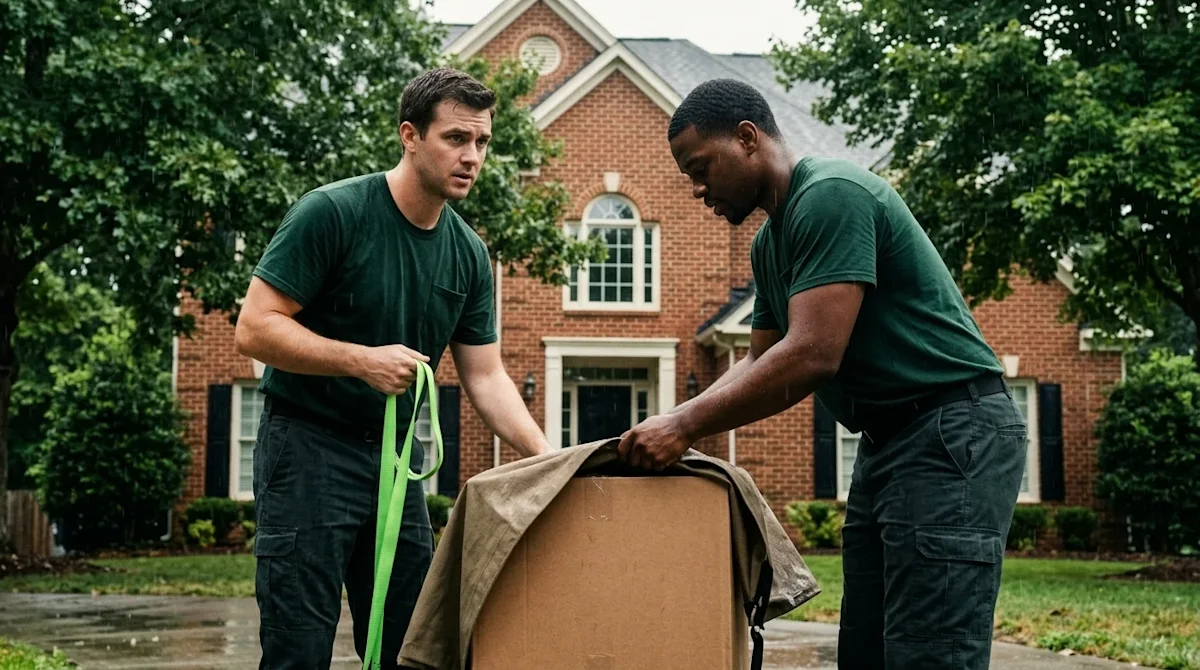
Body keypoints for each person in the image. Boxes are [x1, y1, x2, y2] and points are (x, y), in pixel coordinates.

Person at [618, 78, 1028, 669]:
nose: (696, 188)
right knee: (864, 652)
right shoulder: (771, 243)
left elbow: (813, 353)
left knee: (929, 655)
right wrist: (672, 423)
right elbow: (761, 357)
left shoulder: (831, 194)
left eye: (701, 166)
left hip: (950, 433)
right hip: (888, 441)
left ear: (747, 138)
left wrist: (681, 425)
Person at [234, 67, 550, 670]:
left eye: (482, 142)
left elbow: (484, 375)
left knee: (412, 644)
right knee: (299, 646)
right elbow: (255, 326)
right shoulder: (332, 213)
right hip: (305, 448)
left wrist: (546, 455)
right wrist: (359, 360)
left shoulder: (468, 254)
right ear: (410, 135)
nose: (472, 156)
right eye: (456, 138)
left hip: (395, 462)